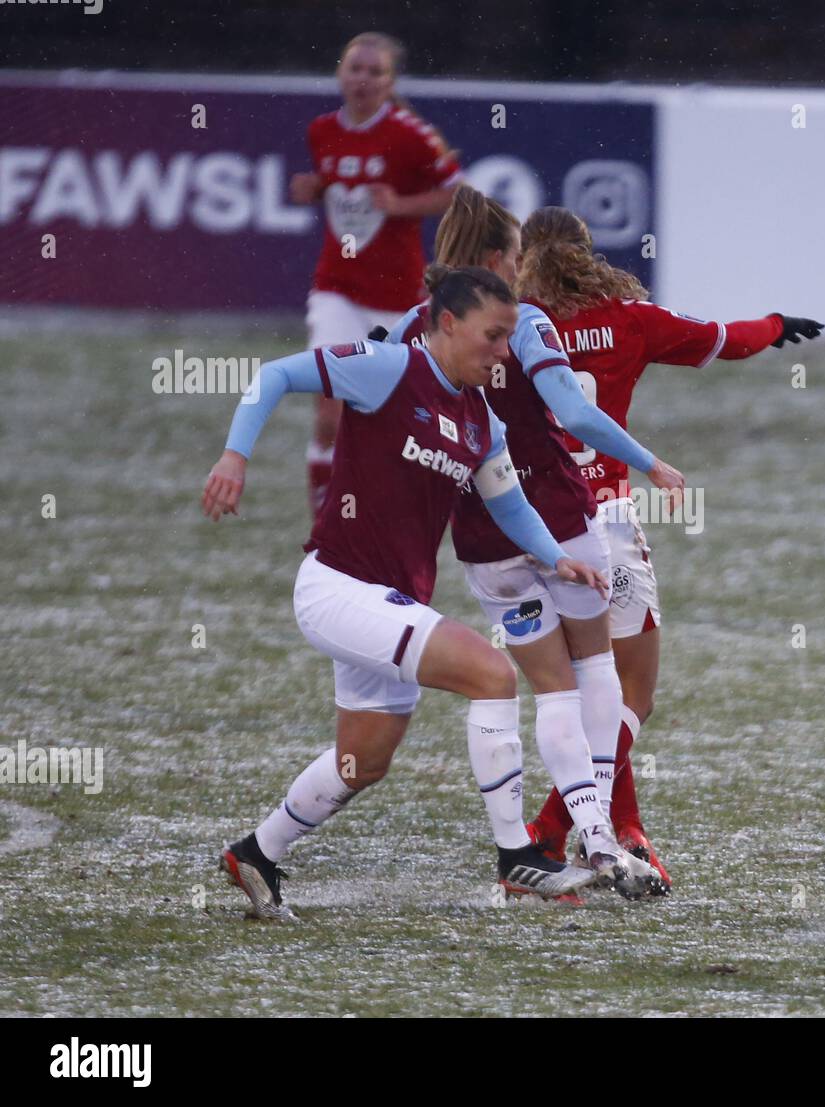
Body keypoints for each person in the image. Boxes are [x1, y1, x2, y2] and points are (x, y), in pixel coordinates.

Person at [203, 266, 616, 919]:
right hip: (337, 587)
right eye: (493, 336)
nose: (504, 353)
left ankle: (256, 851)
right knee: (491, 673)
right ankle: (517, 857)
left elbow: (510, 507)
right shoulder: (386, 366)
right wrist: (235, 454)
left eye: (510, 338)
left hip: (390, 603)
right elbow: (275, 375)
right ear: (447, 323)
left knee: (361, 760)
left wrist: (559, 558)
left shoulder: (482, 420)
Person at [385, 185, 686, 897]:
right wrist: (651, 462)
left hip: (484, 537)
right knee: (594, 668)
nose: (523, 269)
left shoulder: (411, 326)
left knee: (549, 687)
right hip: (562, 517)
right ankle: (602, 838)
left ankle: (563, 841)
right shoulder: (524, 321)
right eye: (518, 255)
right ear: (497, 258)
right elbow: (574, 413)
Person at [512, 206, 825, 887]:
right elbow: (722, 338)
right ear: (587, 254)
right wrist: (774, 326)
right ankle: (552, 828)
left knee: (579, 690)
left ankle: (626, 831)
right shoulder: (628, 319)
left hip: (523, 526)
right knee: (632, 692)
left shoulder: (509, 323)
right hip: (603, 526)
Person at [289, 31, 463, 515]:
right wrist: (316, 189)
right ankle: (326, 520)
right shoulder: (321, 130)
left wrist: (403, 204)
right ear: (340, 73)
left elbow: (458, 192)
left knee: (400, 412)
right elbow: (341, 186)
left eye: (375, 71)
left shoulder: (412, 135)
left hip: (396, 294)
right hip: (336, 287)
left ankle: (397, 506)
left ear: (391, 81)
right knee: (329, 403)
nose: (363, 79)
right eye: (355, 68)